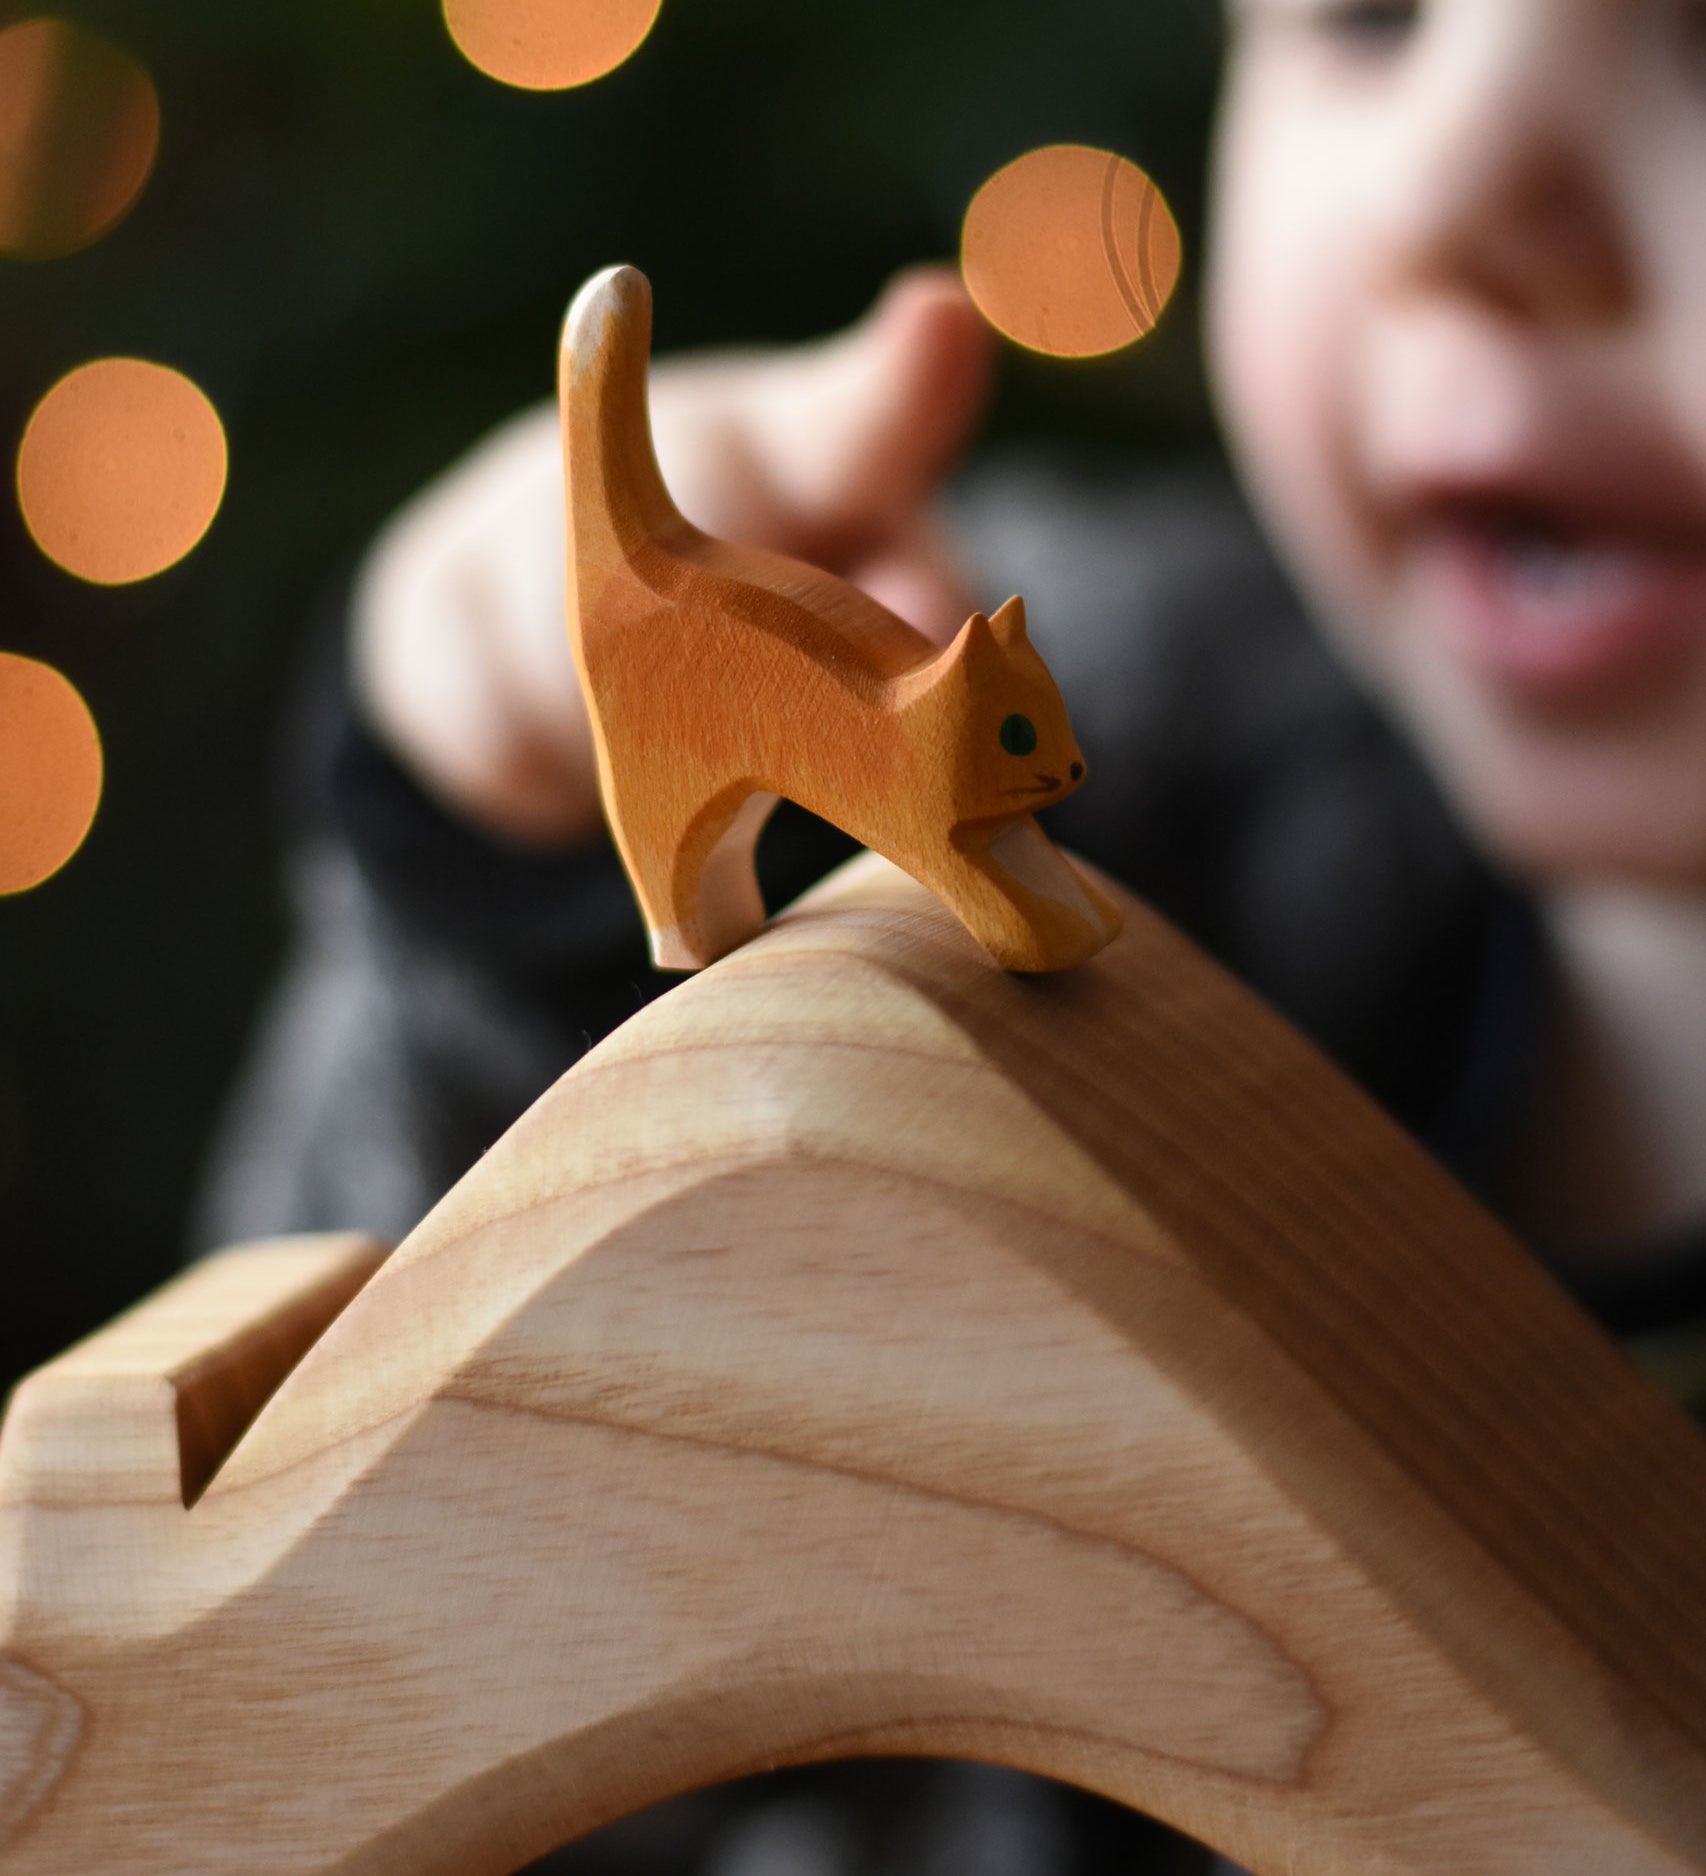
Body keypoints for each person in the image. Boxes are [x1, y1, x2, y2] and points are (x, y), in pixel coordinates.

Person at [196, 0, 1706, 1867]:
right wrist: (510, 889)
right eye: (1366, 21)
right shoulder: (1135, 725)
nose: (1455, 193)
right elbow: (316, 1599)